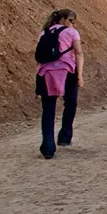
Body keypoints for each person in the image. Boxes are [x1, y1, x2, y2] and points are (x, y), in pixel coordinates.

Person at [35, 9, 83, 159]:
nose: (72, 24)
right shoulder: (72, 33)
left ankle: (48, 147)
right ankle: (65, 135)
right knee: (70, 103)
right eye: (71, 20)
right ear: (63, 19)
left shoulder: (44, 32)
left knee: (48, 110)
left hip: (46, 72)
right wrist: (80, 75)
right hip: (67, 70)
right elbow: (79, 53)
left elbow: (38, 55)